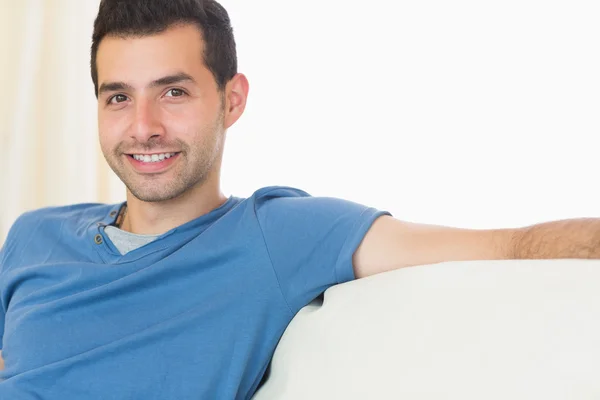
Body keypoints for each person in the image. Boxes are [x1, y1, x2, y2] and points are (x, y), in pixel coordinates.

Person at [0, 0, 597, 398]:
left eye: (173, 92)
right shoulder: (34, 235)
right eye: (118, 98)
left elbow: (511, 245)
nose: (144, 126)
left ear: (232, 100)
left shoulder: (276, 237)